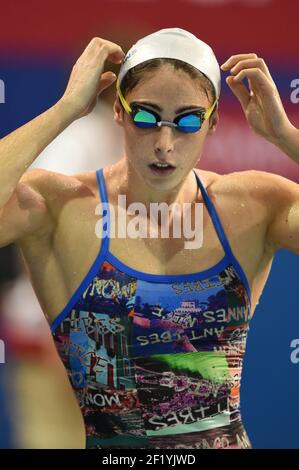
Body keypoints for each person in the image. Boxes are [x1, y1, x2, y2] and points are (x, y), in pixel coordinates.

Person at [0, 27, 298, 449]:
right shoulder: (63, 209)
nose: (164, 143)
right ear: (117, 112)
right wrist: (64, 110)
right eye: (145, 116)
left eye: (188, 121)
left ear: (213, 122)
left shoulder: (253, 206)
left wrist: (285, 136)